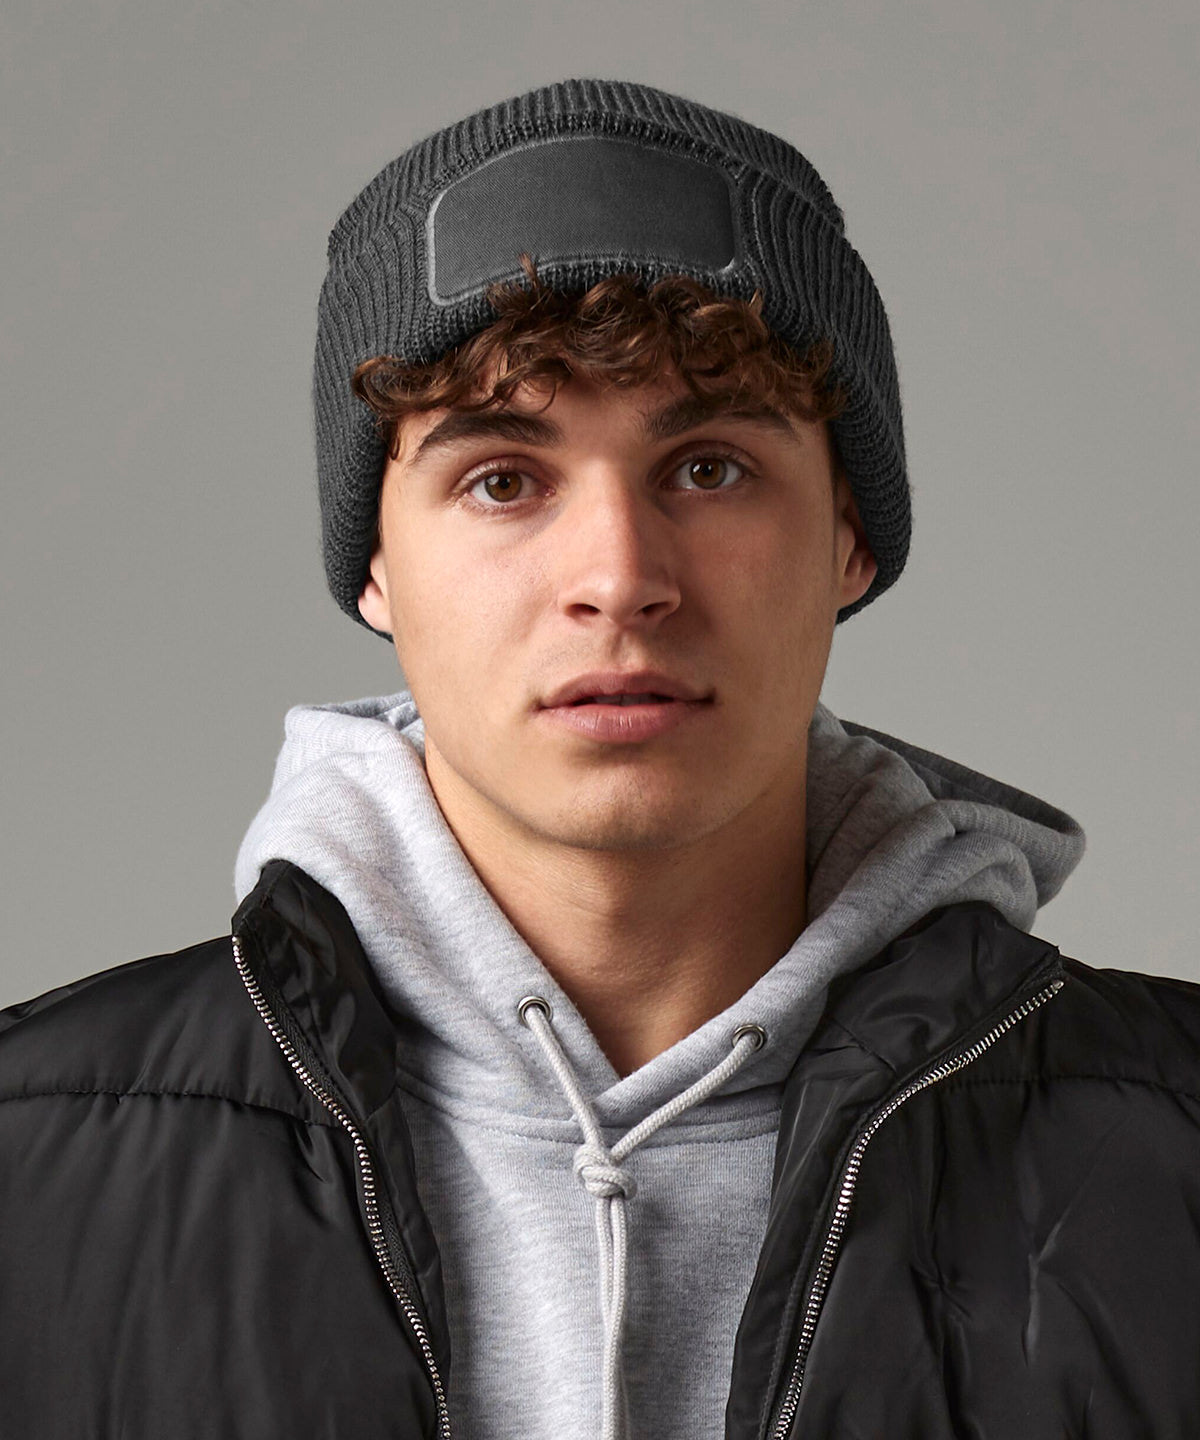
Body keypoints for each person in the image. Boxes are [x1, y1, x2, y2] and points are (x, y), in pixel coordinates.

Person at [2, 75, 1198, 1440]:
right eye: (502, 480)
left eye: (709, 469)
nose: (620, 579)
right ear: (376, 565)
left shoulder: (1173, 1153)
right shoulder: (28, 1155)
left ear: (850, 540)